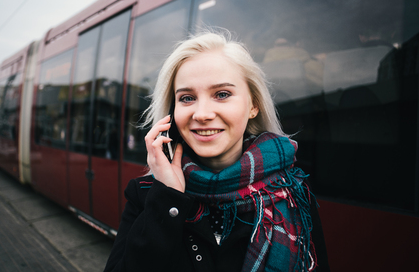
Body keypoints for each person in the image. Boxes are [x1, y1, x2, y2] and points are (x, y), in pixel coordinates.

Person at [104, 31, 329, 272]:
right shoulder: (147, 194)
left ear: (253, 105)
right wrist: (168, 198)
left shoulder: (293, 192)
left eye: (222, 94)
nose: (201, 114)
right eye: (187, 98)